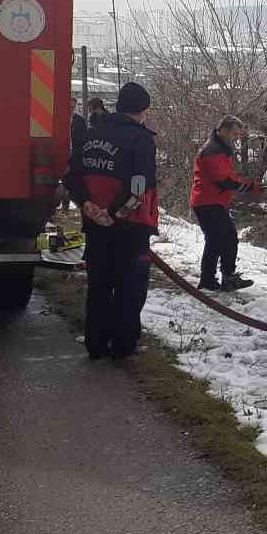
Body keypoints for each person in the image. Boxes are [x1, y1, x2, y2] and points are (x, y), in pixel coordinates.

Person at [65, 82, 159, 361]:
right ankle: (122, 345)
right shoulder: (141, 140)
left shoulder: (91, 133)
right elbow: (140, 188)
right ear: (142, 110)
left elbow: (71, 176)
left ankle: (96, 343)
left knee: (99, 285)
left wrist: (87, 205)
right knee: (130, 287)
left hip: (94, 224)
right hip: (129, 227)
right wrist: (116, 213)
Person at [191, 114, 262, 291]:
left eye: (238, 135)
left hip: (209, 201)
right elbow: (224, 181)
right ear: (222, 130)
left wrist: (248, 185)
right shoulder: (213, 150)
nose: (237, 138)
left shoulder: (220, 149)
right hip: (208, 202)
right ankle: (227, 277)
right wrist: (248, 186)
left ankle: (208, 280)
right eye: (234, 134)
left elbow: (229, 177)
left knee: (214, 241)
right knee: (229, 238)